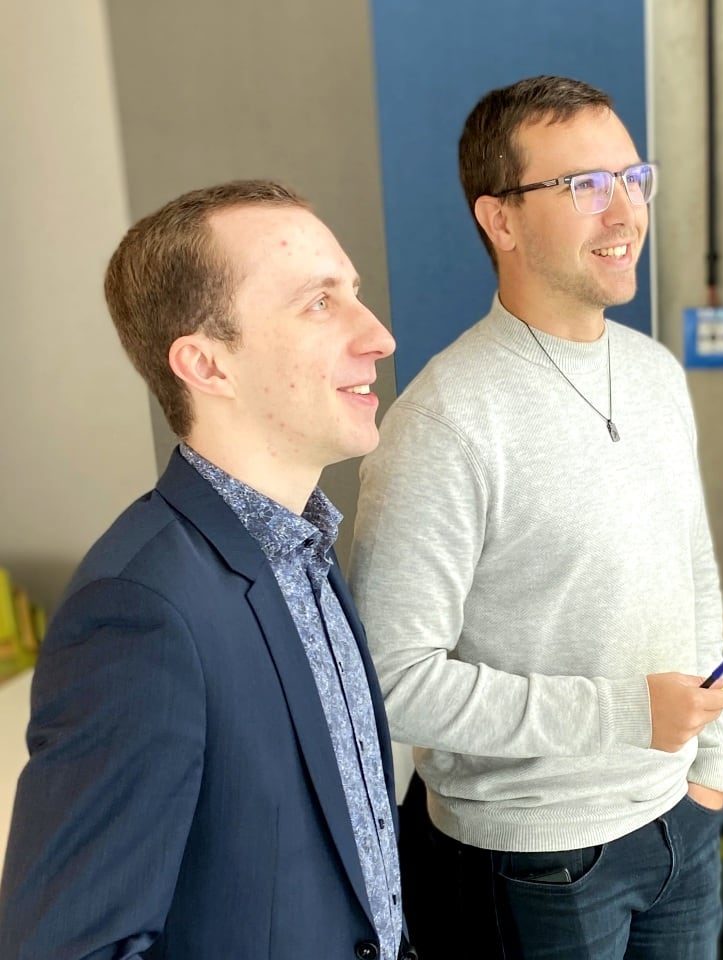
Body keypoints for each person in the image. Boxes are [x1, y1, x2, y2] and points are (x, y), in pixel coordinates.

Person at [349, 75, 723, 959]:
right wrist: (623, 715)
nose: (626, 212)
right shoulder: (444, 420)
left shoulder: (655, 373)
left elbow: (693, 572)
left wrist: (710, 764)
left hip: (680, 823)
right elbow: (394, 680)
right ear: (501, 220)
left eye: (633, 178)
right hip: (538, 860)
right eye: (585, 186)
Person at [0, 180, 416, 960]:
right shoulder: (137, 611)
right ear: (206, 364)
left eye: (353, 293)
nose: (379, 335)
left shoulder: (306, 548)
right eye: (319, 303)